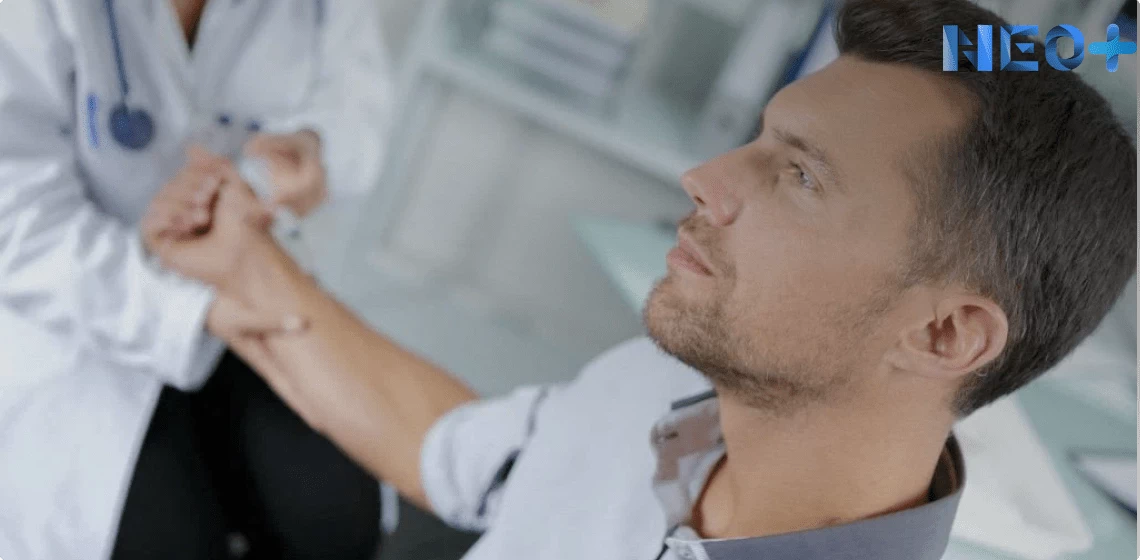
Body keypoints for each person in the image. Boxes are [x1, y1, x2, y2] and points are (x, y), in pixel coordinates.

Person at [152, 0, 1135, 559]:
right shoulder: (661, 394)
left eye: (800, 175)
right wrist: (248, 266)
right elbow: (462, 454)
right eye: (761, 140)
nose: (705, 178)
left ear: (945, 333)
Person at [0, 1, 392, 559]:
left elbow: (356, 108)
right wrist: (190, 309)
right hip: (66, 313)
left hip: (235, 285)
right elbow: (17, 225)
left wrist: (308, 150)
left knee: (339, 525)